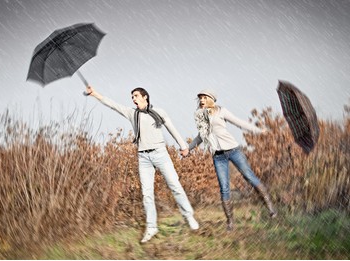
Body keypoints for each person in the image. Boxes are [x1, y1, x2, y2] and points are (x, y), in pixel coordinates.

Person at [85, 86, 199, 243]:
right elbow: (112, 104)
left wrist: (183, 146)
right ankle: (151, 227)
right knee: (147, 194)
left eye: (136, 96)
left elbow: (172, 129)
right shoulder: (133, 114)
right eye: (132, 96)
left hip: (160, 154)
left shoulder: (159, 112)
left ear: (145, 97)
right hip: (143, 157)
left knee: (175, 185)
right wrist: (95, 94)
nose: (133, 98)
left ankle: (189, 216)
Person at [185, 89, 277, 231]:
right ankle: (230, 223)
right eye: (200, 98)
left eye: (204, 97)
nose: (201, 100)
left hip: (233, 151)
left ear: (211, 99)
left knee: (249, 177)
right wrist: (188, 148)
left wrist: (258, 131)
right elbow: (199, 137)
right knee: (224, 188)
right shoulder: (201, 117)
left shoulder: (222, 111)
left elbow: (240, 123)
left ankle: (271, 208)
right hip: (218, 156)